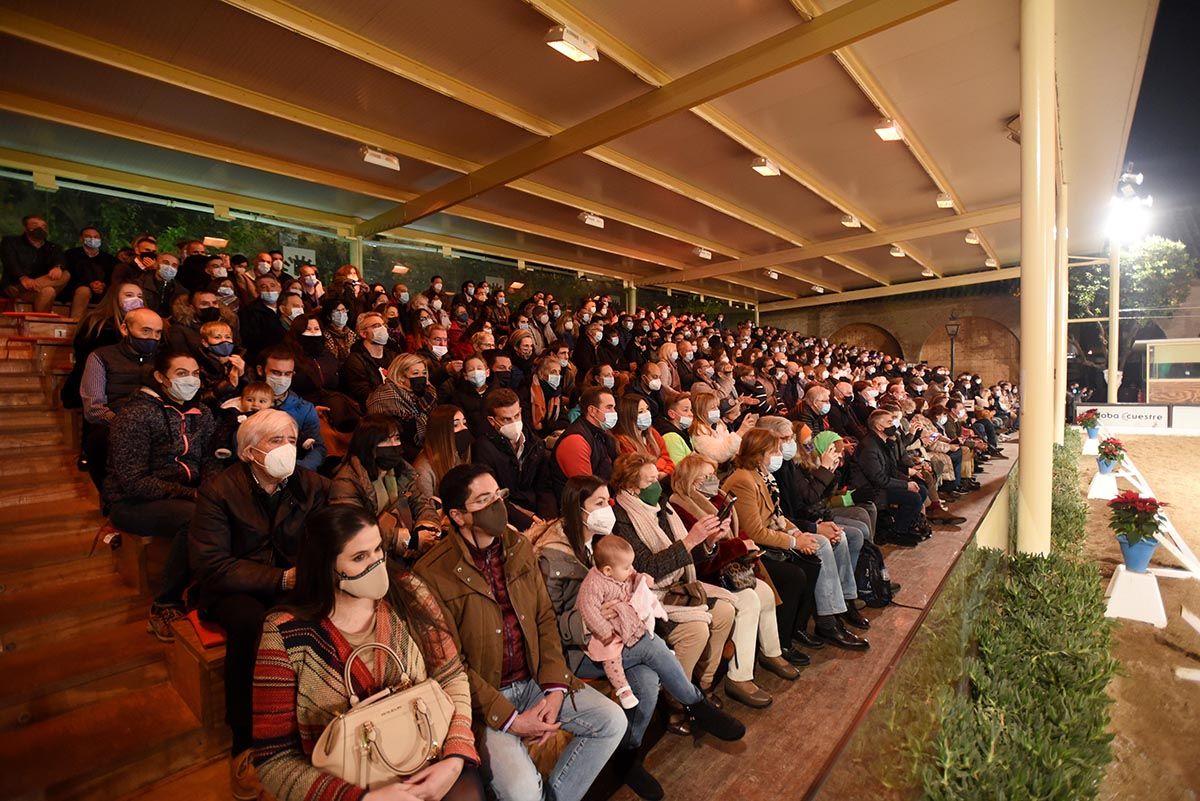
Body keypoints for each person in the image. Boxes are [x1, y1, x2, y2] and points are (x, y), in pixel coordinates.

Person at [414, 464, 627, 801]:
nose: (497, 505)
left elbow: (543, 618)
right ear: (457, 515)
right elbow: (450, 667)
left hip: (532, 680)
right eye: (483, 500)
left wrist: (555, 688)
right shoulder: (432, 573)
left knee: (612, 721)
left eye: (498, 494)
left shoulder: (517, 546)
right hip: (484, 703)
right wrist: (510, 719)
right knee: (524, 791)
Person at [528, 476, 742, 800]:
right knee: (651, 647)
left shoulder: (602, 541)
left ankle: (628, 757)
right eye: (599, 504)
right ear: (578, 509)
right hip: (580, 648)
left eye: (607, 501)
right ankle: (695, 703)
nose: (607, 509)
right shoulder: (552, 557)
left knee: (647, 680)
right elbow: (549, 624)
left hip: (615, 638)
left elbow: (624, 580)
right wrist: (598, 621)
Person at [188, 409, 330, 797]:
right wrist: (281, 578)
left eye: (291, 439)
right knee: (255, 625)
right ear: (251, 452)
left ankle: (317, 721)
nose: (287, 449)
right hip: (232, 588)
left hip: (292, 580)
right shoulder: (219, 490)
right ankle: (245, 743)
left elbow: (327, 538)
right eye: (275, 441)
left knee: (326, 612)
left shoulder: (312, 485)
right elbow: (211, 565)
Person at [609, 453, 736, 724]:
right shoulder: (621, 521)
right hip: (648, 598)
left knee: (725, 611)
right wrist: (690, 541)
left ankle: (701, 686)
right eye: (652, 480)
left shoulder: (662, 507)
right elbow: (648, 570)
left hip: (679, 586)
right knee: (696, 630)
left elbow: (690, 558)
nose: (659, 484)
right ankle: (677, 699)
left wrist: (709, 542)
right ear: (632, 487)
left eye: (658, 477)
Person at [723, 429, 869, 651]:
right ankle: (827, 621)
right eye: (774, 450)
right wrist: (796, 541)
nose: (779, 453)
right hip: (754, 549)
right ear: (759, 453)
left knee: (833, 539)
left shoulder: (761, 474)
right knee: (820, 545)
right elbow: (756, 531)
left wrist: (799, 534)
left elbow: (777, 516)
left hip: (783, 530)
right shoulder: (743, 479)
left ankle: (838, 610)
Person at [104, 349, 215, 641]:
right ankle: (164, 603)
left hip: (185, 494)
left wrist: (213, 488)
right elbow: (133, 482)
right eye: (181, 374)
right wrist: (191, 495)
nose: (190, 380)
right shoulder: (135, 415)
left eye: (194, 374)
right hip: (134, 502)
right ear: (160, 377)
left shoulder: (201, 413)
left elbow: (211, 460)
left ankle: (211, 589)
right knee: (194, 518)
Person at [329, 414, 439, 562]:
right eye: (386, 440)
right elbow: (354, 530)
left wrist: (426, 528)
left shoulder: (401, 471)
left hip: (407, 551)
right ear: (368, 444)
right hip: (373, 558)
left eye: (397, 438)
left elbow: (421, 503)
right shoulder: (346, 482)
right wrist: (410, 540)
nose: (394, 445)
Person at [79, 307, 163, 491]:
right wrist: (124, 425)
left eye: (158, 333)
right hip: (115, 422)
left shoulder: (163, 358)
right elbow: (94, 409)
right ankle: (112, 503)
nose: (153, 338)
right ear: (125, 329)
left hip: (157, 421)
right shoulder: (100, 356)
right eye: (146, 331)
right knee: (98, 441)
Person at [473, 389, 558, 530]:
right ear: (492, 421)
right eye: (506, 419)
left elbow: (545, 486)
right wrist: (529, 520)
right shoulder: (483, 450)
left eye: (517, 415)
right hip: (507, 517)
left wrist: (548, 520)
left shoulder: (534, 442)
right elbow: (493, 497)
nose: (514, 422)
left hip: (537, 513)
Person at [849, 409, 928, 542]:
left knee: (922, 489)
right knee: (913, 497)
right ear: (879, 427)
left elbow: (892, 469)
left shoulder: (885, 442)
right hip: (871, 489)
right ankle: (898, 531)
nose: (893, 426)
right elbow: (878, 478)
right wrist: (905, 485)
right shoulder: (869, 446)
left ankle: (907, 525)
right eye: (889, 422)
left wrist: (908, 481)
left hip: (883, 484)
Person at [256, 347, 328, 472]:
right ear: (260, 370)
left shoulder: (305, 409)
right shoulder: (247, 404)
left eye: (287, 374)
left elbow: (318, 448)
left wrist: (297, 468)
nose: (282, 379)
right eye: (276, 373)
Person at [367, 354, 436, 462]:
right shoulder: (384, 399)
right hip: (397, 457)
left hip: (423, 453)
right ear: (400, 377)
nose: (421, 377)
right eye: (415, 373)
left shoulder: (426, 396)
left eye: (424, 373)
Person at [550, 386, 619, 494]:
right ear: (592, 410)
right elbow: (586, 490)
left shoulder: (602, 433)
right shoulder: (575, 441)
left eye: (614, 407)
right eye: (609, 407)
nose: (614, 412)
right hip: (582, 504)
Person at [412, 404, 472, 517]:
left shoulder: (456, 455)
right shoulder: (423, 470)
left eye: (464, 423)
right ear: (441, 432)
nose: (464, 428)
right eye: (456, 425)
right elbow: (427, 513)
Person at [1, 214, 68, 312]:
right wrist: (23, 277)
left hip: (32, 289)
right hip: (13, 285)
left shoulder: (53, 247)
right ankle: (21, 288)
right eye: (35, 224)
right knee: (49, 290)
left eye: (43, 226)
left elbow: (60, 259)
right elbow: (10, 261)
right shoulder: (10, 241)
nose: (40, 228)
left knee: (63, 277)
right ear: (25, 228)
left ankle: (40, 325)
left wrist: (58, 267)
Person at [340, 311, 401, 405]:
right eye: (377, 326)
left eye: (383, 325)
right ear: (363, 334)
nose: (383, 329)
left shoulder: (393, 356)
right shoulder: (355, 361)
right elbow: (363, 394)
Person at [613, 393, 674, 482]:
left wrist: (663, 472)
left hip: (664, 480)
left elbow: (668, 460)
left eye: (647, 409)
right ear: (629, 416)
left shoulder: (652, 433)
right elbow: (639, 471)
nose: (647, 414)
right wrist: (660, 464)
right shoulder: (622, 441)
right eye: (640, 412)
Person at [63, 225, 115, 319]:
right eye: (88, 236)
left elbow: (113, 276)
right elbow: (69, 275)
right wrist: (89, 284)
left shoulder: (108, 258)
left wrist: (103, 285)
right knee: (84, 291)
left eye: (96, 237)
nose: (92, 239)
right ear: (81, 239)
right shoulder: (71, 254)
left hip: (102, 291)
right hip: (76, 290)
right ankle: (75, 326)